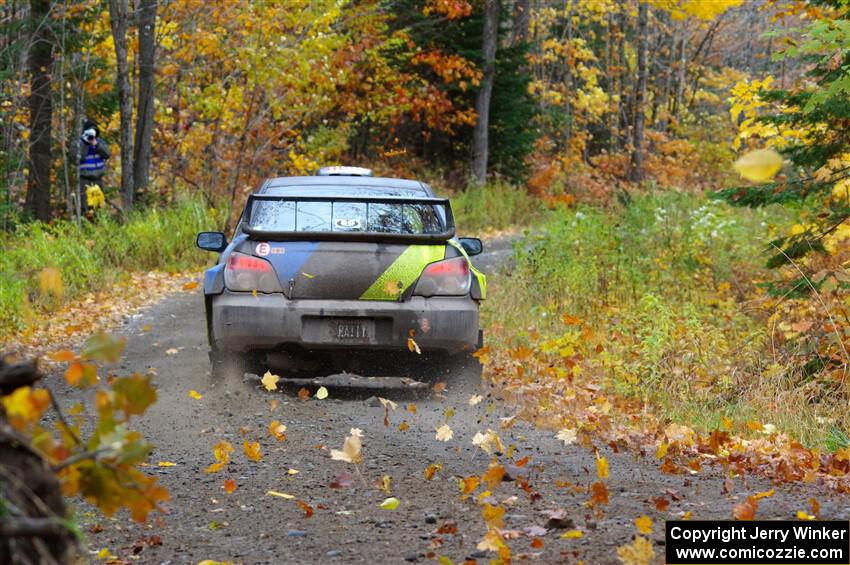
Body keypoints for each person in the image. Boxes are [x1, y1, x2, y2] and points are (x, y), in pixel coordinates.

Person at [78, 119, 110, 214]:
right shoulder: (80, 143)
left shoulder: (99, 142)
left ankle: (99, 227)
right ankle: (86, 226)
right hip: (84, 180)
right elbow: (78, 158)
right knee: (86, 207)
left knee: (100, 206)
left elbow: (107, 154)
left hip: (98, 179)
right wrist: (85, 143)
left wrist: (96, 144)